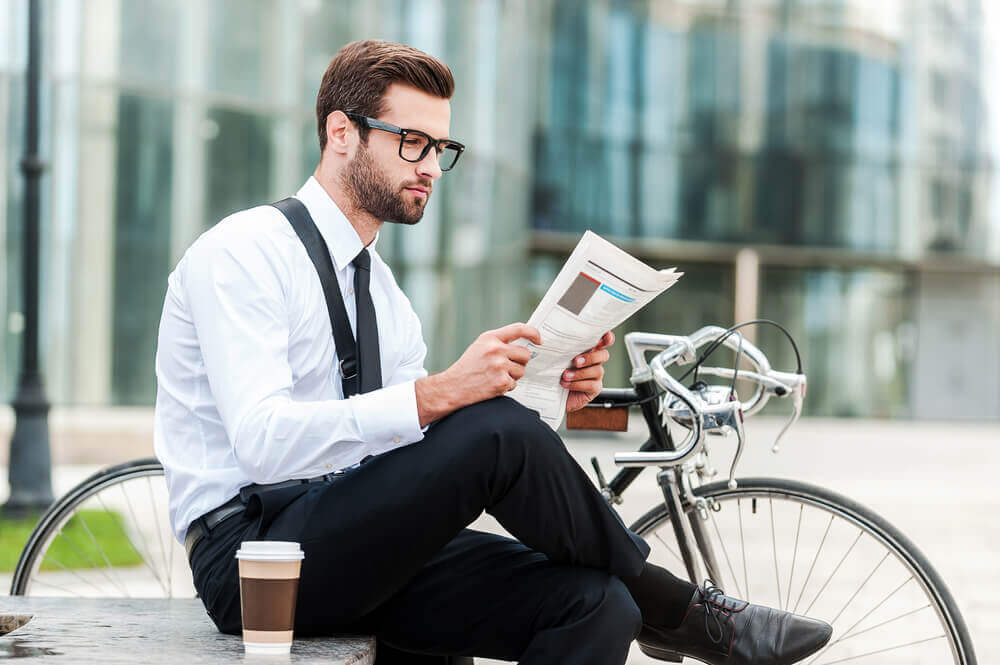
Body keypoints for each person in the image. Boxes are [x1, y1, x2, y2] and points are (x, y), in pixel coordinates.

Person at [154, 40, 832, 665]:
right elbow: (264, 442)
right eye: (412, 142)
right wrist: (442, 394)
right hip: (252, 559)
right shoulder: (243, 253)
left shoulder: (384, 294)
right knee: (493, 428)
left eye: (440, 149)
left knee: (600, 605)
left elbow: (415, 462)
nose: (430, 168)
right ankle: (680, 608)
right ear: (341, 133)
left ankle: (648, 603)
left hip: (353, 540)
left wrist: (551, 396)